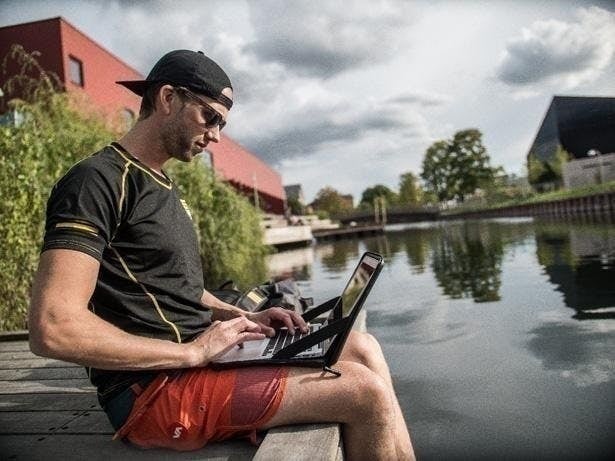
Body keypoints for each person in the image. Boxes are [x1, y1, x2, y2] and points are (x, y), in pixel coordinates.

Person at [28, 49, 415, 460]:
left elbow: (183, 289)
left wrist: (243, 316)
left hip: (201, 361)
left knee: (362, 347)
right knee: (364, 393)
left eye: (222, 124)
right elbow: (53, 326)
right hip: (154, 390)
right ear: (167, 98)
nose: (216, 135)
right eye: (209, 117)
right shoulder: (97, 181)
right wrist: (191, 353)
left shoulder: (163, 186)